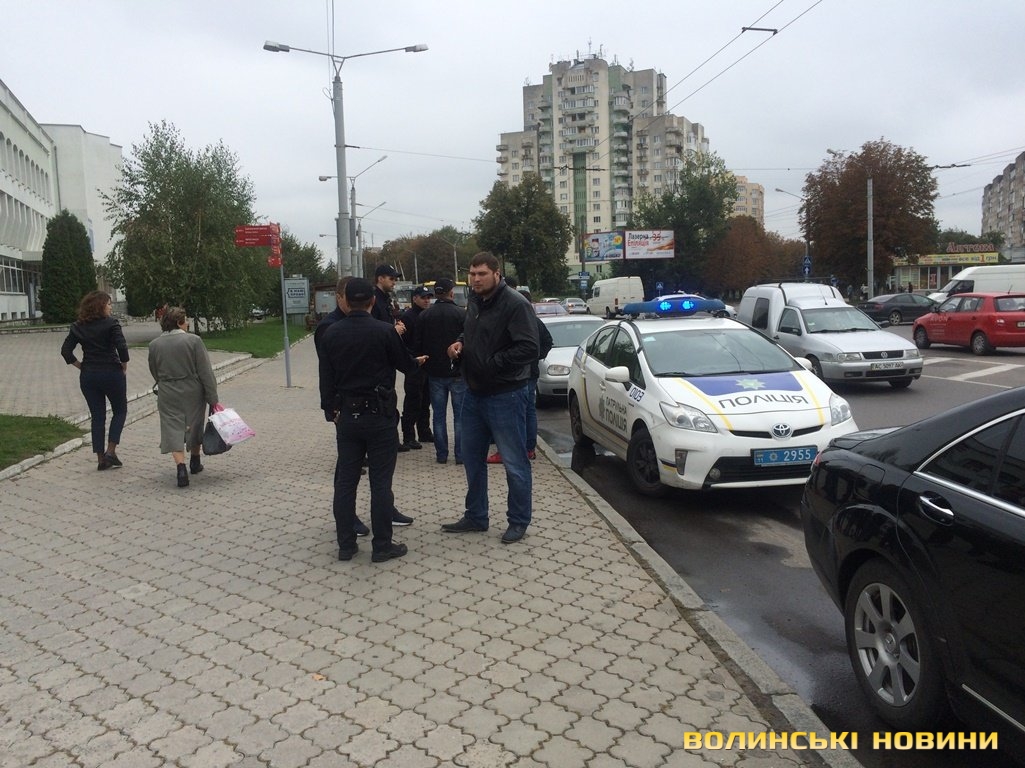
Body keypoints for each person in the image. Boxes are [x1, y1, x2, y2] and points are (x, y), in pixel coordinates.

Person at [319, 278, 427, 563]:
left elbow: (325, 378)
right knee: (380, 483)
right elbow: (405, 365)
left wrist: (331, 410)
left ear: (345, 300)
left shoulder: (331, 332)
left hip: (347, 416)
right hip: (380, 415)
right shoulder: (384, 331)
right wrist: (417, 362)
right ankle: (382, 546)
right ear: (372, 301)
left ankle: (346, 545)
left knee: (346, 481)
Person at [441, 252, 538, 544]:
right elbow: (472, 333)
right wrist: (459, 343)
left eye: (481, 273)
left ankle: (518, 521)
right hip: (473, 393)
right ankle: (476, 516)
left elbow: (529, 348)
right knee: (472, 459)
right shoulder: (475, 300)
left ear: (497, 273)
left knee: (514, 463)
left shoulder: (516, 304)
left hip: (506, 394)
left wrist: (491, 364)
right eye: (472, 274)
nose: (476, 279)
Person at [147, 307, 220, 488]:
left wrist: (165, 381)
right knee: (194, 423)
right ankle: (195, 461)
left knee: (172, 427)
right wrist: (213, 397)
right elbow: (205, 371)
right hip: (192, 390)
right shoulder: (194, 341)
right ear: (179, 322)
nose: (187, 323)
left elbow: (153, 369)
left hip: (167, 391)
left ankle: (180, 468)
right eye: (185, 320)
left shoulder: (154, 345)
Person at [60, 290, 129, 470]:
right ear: (100, 306)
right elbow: (122, 347)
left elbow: (65, 351)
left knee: (97, 416)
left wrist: (80, 366)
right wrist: (124, 365)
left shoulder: (78, 326)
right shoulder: (112, 324)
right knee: (120, 410)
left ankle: (101, 459)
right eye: (109, 304)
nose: (111, 307)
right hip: (111, 372)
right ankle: (111, 451)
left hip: (89, 375)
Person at [487, 289, 552, 464]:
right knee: (528, 411)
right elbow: (547, 342)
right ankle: (529, 448)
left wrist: (530, 357)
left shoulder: (515, 321)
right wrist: (536, 356)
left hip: (517, 374)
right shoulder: (536, 322)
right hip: (529, 373)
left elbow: (544, 343)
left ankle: (509, 450)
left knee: (513, 413)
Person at [414, 278, 466, 464]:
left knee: (438, 415)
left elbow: (418, 344)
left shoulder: (424, 316)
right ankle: (460, 455)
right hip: (457, 372)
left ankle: (441, 454)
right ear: (451, 292)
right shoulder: (461, 314)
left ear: (435, 293)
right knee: (460, 417)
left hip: (434, 372)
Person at [398, 287, 433, 450]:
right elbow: (402, 343)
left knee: (426, 400)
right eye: (423, 297)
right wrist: (410, 360)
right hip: (414, 365)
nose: (427, 300)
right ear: (414, 299)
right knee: (413, 401)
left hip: (428, 364)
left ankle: (424, 431)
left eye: (429, 297)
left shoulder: (428, 314)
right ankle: (409, 436)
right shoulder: (408, 317)